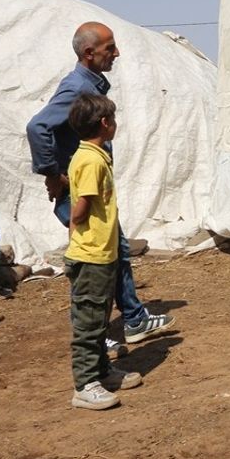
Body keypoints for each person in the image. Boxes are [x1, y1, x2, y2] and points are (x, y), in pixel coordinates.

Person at [26, 22, 175, 353]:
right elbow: (37, 127)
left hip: (93, 189)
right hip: (80, 191)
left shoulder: (90, 84)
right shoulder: (77, 87)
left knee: (116, 253)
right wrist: (53, 174)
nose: (116, 53)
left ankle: (133, 318)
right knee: (91, 264)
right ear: (89, 53)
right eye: (110, 48)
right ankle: (93, 334)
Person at [64, 93, 142, 410]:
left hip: (102, 254)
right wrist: (77, 223)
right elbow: (81, 206)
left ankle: (102, 371)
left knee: (100, 320)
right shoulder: (91, 160)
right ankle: (85, 385)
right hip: (90, 255)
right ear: (105, 123)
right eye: (114, 120)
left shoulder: (95, 155)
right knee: (88, 325)